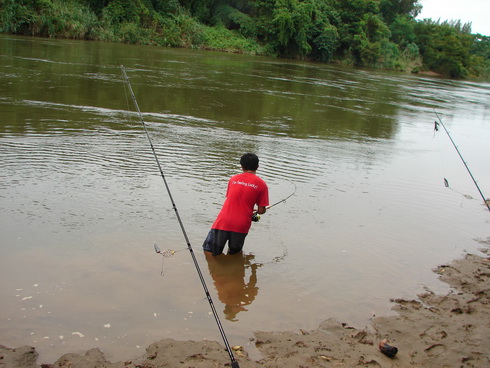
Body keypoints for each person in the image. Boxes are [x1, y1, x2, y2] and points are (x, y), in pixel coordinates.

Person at [203, 153, 269, 256]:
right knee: (234, 254)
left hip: (223, 221)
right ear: (257, 167)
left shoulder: (233, 179)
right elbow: (261, 211)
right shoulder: (262, 185)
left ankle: (214, 270)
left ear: (241, 166)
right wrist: (257, 211)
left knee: (210, 250)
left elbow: (233, 199)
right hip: (241, 225)